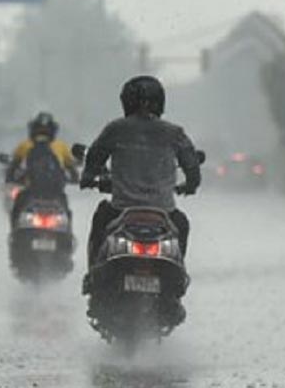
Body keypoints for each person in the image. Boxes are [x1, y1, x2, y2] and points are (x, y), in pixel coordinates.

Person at [80, 76, 201, 271]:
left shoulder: (116, 129)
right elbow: (192, 166)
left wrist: (87, 177)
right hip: (164, 211)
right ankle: (177, 274)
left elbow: (95, 156)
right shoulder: (174, 133)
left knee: (101, 219)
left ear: (127, 101)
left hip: (120, 209)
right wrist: (191, 185)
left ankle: (93, 274)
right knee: (182, 224)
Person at [7, 111, 77, 219]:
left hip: (31, 190)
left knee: (18, 206)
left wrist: (11, 178)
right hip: (56, 191)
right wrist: (75, 179)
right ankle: (68, 233)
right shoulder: (61, 146)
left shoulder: (24, 145)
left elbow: (13, 166)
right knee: (66, 210)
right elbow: (71, 168)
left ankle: (14, 233)